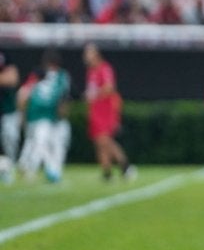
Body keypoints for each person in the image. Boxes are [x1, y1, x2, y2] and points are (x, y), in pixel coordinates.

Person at [17, 50, 71, 183]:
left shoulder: (37, 74)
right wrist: (62, 112)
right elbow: (63, 97)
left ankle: (27, 166)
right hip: (48, 116)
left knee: (34, 143)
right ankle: (50, 170)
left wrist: (22, 113)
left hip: (34, 114)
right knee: (42, 144)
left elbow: (23, 94)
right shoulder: (61, 76)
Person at [84, 44, 136, 181]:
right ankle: (107, 173)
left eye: (88, 53)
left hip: (105, 111)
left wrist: (95, 94)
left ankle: (125, 165)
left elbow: (109, 87)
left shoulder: (104, 69)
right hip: (95, 111)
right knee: (99, 143)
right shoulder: (91, 72)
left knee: (105, 140)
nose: (86, 56)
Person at [0, 52, 21, 163]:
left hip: (8, 109)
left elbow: (12, 79)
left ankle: (11, 164)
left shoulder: (5, 53)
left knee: (10, 138)